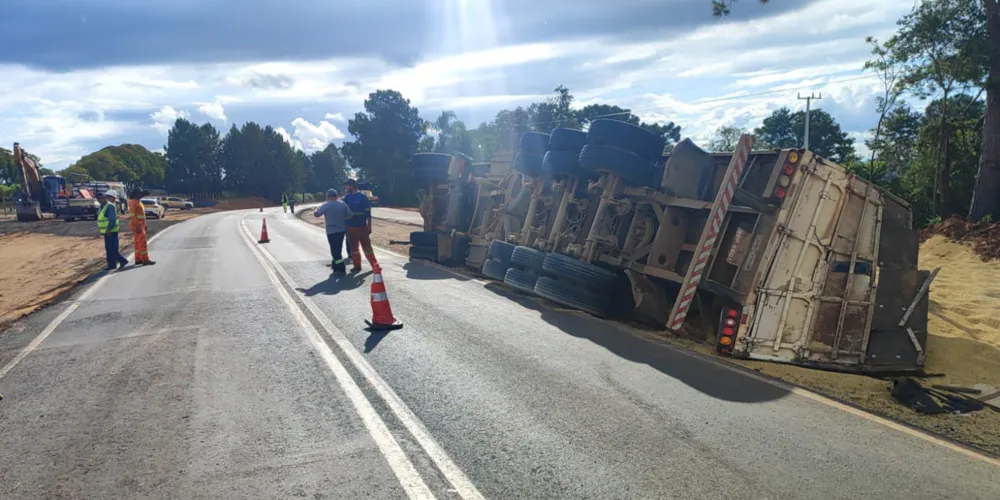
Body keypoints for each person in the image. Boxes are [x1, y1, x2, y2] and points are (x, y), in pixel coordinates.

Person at [313, 188, 353, 276]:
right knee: (338, 248)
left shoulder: (326, 205)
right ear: (336, 196)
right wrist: (343, 219)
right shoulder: (342, 204)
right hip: (341, 230)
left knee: (335, 251)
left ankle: (341, 269)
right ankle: (335, 267)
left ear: (328, 196)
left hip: (331, 231)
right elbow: (350, 215)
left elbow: (317, 214)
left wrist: (315, 210)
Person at [342, 179, 378, 273]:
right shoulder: (346, 198)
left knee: (367, 247)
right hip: (350, 227)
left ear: (352, 186)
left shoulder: (362, 197)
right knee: (354, 248)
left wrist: (369, 226)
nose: (345, 188)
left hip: (362, 227)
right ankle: (357, 265)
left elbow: (368, 213)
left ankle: (374, 265)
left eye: (347, 186)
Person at [98, 189, 129, 271]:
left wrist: (108, 229)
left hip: (111, 231)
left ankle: (123, 261)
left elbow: (112, 219)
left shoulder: (110, 206)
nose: (99, 200)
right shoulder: (103, 206)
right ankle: (112, 265)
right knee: (109, 249)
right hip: (107, 232)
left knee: (112, 249)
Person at [127, 189, 156, 266]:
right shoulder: (133, 202)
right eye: (140, 194)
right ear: (136, 194)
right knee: (142, 242)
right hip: (137, 225)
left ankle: (138, 259)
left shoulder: (138, 202)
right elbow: (133, 216)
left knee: (137, 242)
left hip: (140, 224)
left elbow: (141, 216)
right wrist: (137, 226)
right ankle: (145, 259)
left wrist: (144, 225)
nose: (142, 196)